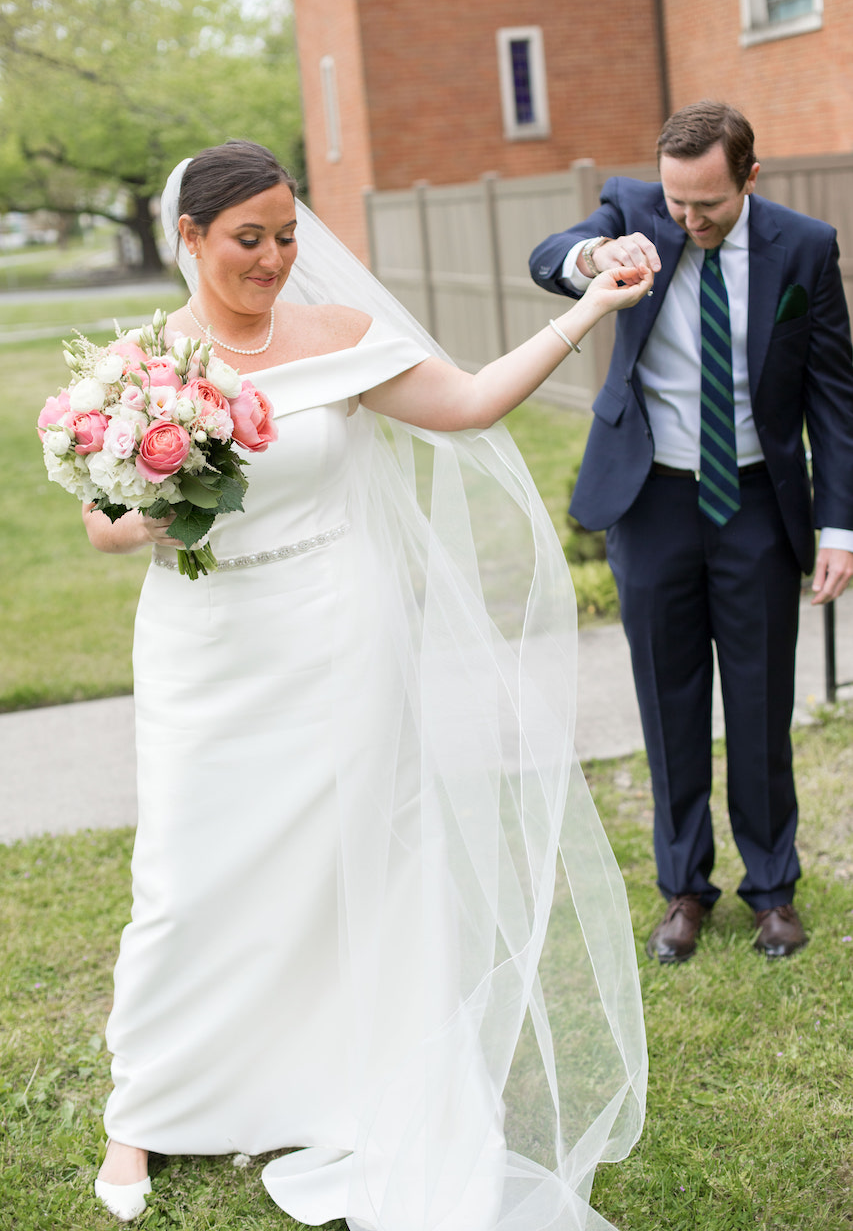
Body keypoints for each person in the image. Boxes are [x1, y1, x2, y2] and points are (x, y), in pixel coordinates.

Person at [85, 140, 651, 1229]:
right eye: (248, 238)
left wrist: (592, 309)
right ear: (191, 237)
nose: (274, 258)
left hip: (338, 636)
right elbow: (103, 523)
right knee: (183, 874)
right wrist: (159, 502)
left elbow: (474, 402)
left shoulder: (340, 337)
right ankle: (143, 1108)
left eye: (288, 235)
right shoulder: (140, 364)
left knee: (361, 862)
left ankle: (343, 1080)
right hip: (205, 648)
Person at [529, 101, 853, 965]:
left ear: (749, 176)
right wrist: (595, 254)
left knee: (757, 702)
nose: (686, 219)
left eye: (705, 203)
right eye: (675, 200)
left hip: (753, 500)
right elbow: (547, 259)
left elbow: (833, 395)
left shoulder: (804, 247)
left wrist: (839, 525)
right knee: (668, 702)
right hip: (652, 500)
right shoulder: (632, 214)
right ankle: (683, 889)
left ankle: (772, 890)